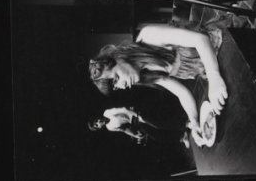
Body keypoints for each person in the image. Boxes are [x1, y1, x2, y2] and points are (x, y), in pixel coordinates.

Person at [87, 20, 228, 150]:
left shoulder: (149, 36)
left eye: (117, 77)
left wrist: (214, 77)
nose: (123, 86)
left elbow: (201, 39)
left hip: (224, 43)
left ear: (118, 58)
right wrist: (194, 122)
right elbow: (181, 93)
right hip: (218, 68)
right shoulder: (145, 74)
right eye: (117, 86)